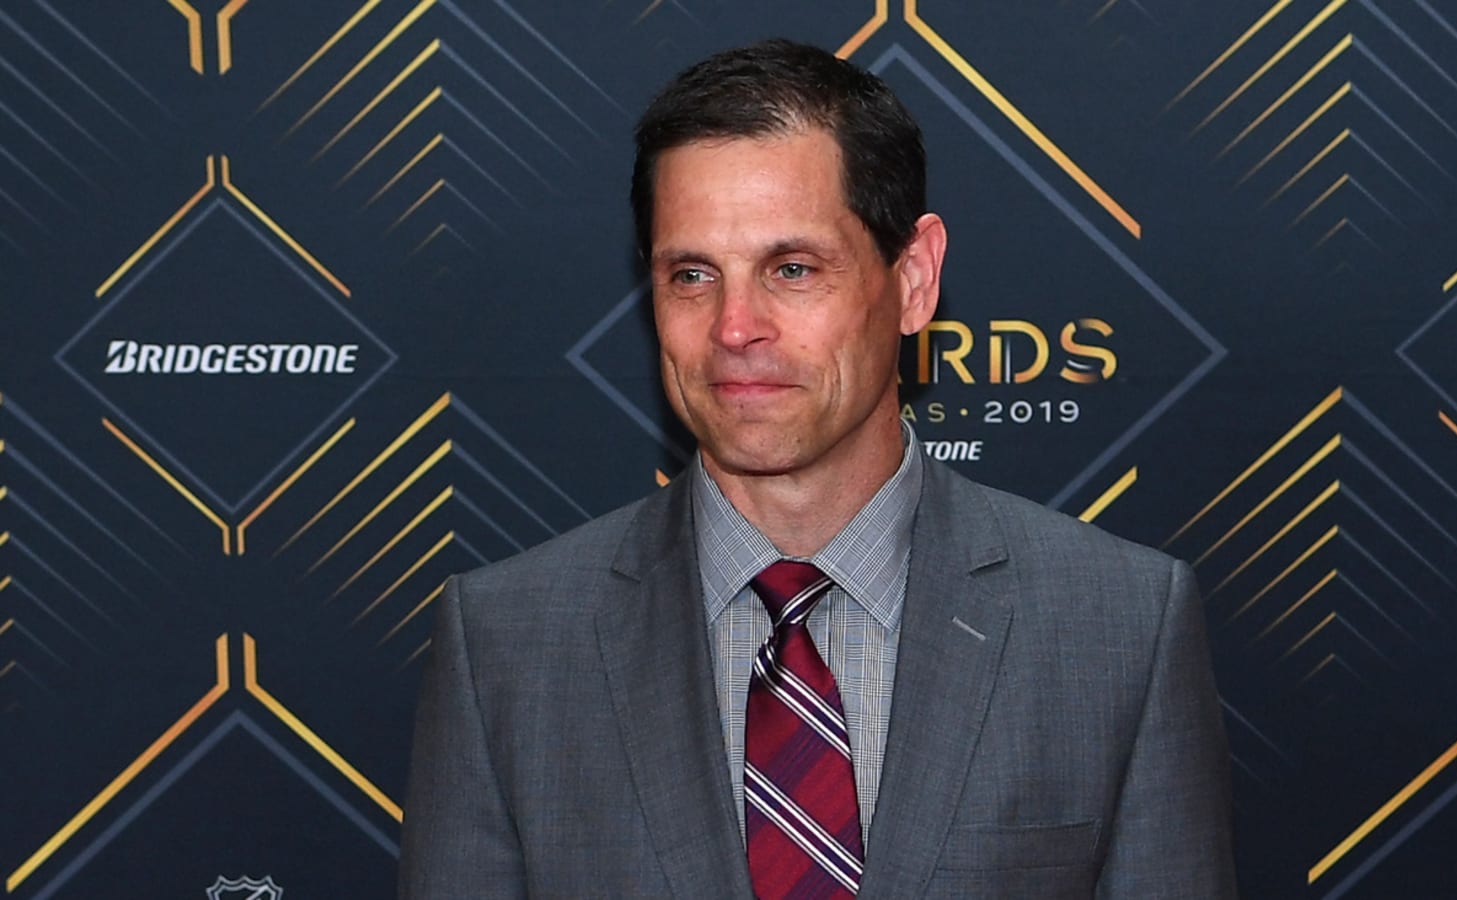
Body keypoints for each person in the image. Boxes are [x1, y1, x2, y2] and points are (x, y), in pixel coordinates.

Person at [398, 38, 1237, 898]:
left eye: (791, 269)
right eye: (691, 275)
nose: (733, 327)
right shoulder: (506, 646)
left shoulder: (1119, 628)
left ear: (913, 280)